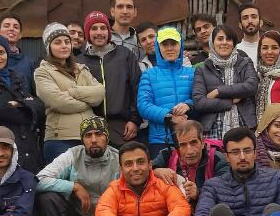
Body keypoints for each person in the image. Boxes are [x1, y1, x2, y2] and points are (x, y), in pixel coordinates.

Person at [36, 116, 121, 216]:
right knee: (48, 198)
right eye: (88, 136)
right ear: (82, 139)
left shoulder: (119, 159)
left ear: (107, 137)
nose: (94, 140)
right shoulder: (72, 156)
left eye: (99, 134)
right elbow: (39, 180)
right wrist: (73, 186)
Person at [0, 33, 44, 173]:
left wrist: (19, 104)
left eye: (2, 52)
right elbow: (1, 109)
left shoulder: (17, 77)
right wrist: (28, 110)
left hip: (27, 150)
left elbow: (40, 106)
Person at [34, 22, 105, 164]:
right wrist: (87, 102)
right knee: (65, 184)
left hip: (89, 137)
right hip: (60, 139)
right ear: (49, 47)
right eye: (57, 42)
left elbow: (99, 94)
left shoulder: (81, 69)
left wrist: (72, 92)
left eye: (67, 41)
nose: (64, 45)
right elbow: (59, 102)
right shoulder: (42, 72)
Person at [77, 11, 141, 147]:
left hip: (122, 126)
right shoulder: (80, 62)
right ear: (88, 33)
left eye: (103, 28)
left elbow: (136, 87)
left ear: (108, 31)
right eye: (94, 28)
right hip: (92, 126)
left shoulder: (124, 55)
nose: (99, 32)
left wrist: (135, 120)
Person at [137, 27, 195, 158]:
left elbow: (199, 99)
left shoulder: (192, 73)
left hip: (189, 138)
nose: (169, 48)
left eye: (173, 44)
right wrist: (169, 117)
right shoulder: (149, 75)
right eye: (165, 44)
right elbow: (143, 106)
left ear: (180, 46)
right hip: (160, 140)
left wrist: (188, 105)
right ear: (158, 48)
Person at [152, 119, 229, 215]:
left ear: (202, 142)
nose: (189, 151)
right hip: (174, 215)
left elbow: (227, 192)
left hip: (208, 215)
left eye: (193, 143)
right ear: (176, 145)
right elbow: (143, 172)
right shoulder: (167, 155)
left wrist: (199, 192)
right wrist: (156, 170)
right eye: (182, 145)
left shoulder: (217, 158)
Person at [193, 25, 258, 139]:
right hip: (213, 129)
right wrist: (231, 101)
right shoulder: (202, 69)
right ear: (212, 43)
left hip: (244, 125)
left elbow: (251, 86)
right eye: (220, 39)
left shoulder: (245, 63)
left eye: (228, 39)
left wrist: (219, 91)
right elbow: (199, 102)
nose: (224, 42)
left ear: (233, 43)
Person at [0, 13, 37, 82]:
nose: (11, 29)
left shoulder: (29, 63)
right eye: (6, 26)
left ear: (20, 35)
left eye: (16, 27)